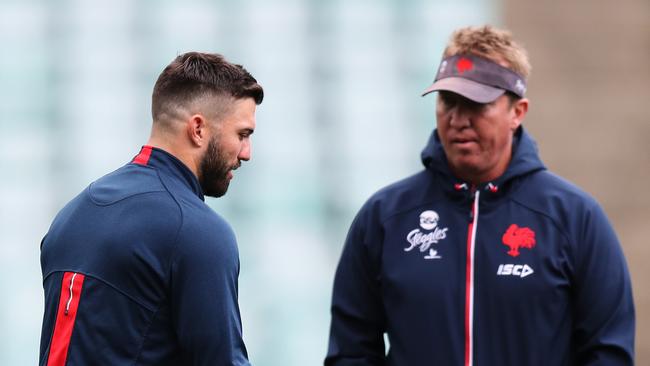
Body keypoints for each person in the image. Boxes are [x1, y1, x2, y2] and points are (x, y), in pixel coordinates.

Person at [325, 25, 635, 365]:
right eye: (449, 101)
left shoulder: (575, 218)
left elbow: (608, 354)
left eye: (476, 103)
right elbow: (351, 352)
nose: (458, 119)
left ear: (518, 112)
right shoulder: (385, 217)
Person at [39, 52, 263, 365]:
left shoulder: (72, 214)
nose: (247, 153)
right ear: (198, 129)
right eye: (242, 134)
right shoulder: (196, 231)